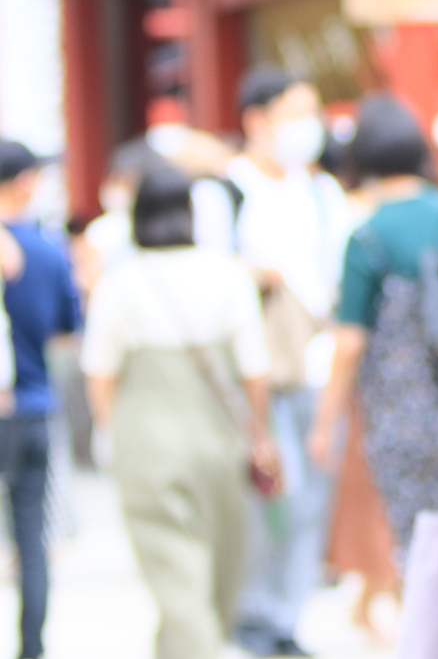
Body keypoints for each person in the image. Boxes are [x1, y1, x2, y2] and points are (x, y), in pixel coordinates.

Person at [82, 156, 273, 659]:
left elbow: (99, 373)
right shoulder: (229, 275)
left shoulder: (118, 283)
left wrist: (111, 434)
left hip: (146, 444)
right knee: (218, 569)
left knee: (175, 574)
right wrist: (261, 435)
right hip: (220, 441)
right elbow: (255, 370)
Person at [309, 94, 438, 563]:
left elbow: (350, 341)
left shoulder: (367, 236)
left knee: (416, 542)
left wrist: (324, 422)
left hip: (397, 412)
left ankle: (432, 630)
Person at [229, 66, 351, 658]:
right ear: (257, 120)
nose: (310, 127)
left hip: (318, 364)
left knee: (312, 498)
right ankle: (252, 608)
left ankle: (284, 614)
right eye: (295, 113)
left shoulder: (323, 193)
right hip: (257, 370)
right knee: (271, 489)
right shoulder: (228, 190)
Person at [0, 141, 78, 659]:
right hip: (33, 408)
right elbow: (67, 327)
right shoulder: (47, 250)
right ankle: (32, 649)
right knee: (32, 540)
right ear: (25, 180)